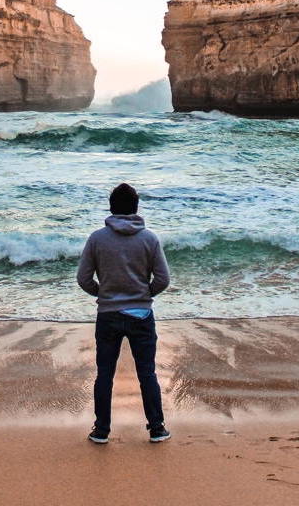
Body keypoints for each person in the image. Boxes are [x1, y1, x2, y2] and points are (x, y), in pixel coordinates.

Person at [77, 182, 171, 444]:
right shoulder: (149, 238)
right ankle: (156, 427)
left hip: (108, 314)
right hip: (141, 314)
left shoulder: (97, 238)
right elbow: (163, 279)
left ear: (111, 208)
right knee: (147, 373)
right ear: (136, 207)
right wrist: (144, 294)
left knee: (104, 373)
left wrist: (103, 294)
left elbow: (83, 278)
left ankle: (101, 430)